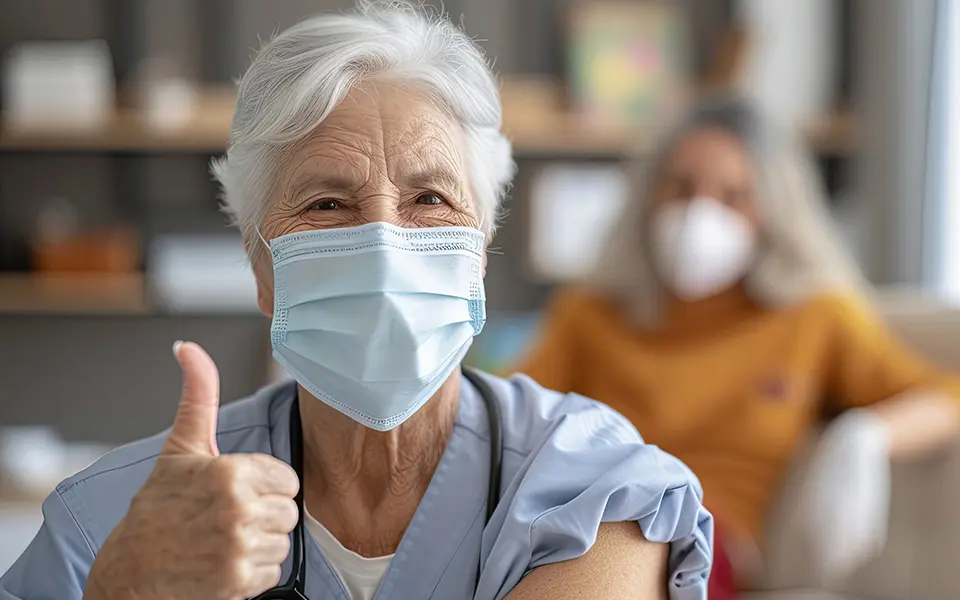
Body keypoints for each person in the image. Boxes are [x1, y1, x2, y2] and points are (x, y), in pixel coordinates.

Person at [0, 3, 713, 600]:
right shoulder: (110, 525)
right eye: (327, 204)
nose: (383, 243)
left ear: (478, 252)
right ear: (261, 266)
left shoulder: (592, 486)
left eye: (429, 198)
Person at [514, 96, 960, 598]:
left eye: (733, 195)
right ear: (649, 196)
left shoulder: (813, 317)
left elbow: (947, 392)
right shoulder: (590, 312)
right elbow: (506, 413)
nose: (699, 212)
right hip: (576, 521)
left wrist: (867, 437)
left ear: (772, 210)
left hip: (702, 543)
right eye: (682, 187)